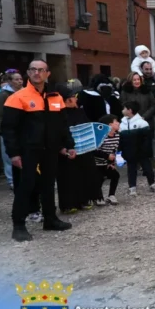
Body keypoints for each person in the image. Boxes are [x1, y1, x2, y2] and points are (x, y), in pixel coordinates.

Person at [1, 60, 74, 242]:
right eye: (33, 70)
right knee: (25, 187)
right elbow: (8, 129)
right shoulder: (17, 98)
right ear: (28, 72)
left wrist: (68, 145)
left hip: (50, 149)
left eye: (41, 70)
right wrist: (14, 153)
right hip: (28, 151)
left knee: (48, 186)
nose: (37, 73)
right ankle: (19, 225)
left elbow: (63, 125)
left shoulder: (56, 97)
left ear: (47, 73)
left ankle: (50, 219)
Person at [55, 83, 98, 212]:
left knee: (83, 174)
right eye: (74, 97)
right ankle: (68, 204)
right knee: (68, 177)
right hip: (66, 150)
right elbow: (57, 131)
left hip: (82, 149)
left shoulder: (79, 111)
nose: (77, 99)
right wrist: (62, 147)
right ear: (68, 99)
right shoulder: (59, 114)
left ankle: (83, 200)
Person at [119, 101, 155, 195]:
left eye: (125, 108)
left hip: (141, 151)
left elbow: (147, 139)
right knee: (131, 170)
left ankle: (152, 184)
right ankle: (132, 187)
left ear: (130, 110)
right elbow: (121, 139)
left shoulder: (142, 123)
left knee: (147, 169)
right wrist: (122, 151)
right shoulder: (122, 124)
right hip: (129, 151)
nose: (123, 110)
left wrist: (145, 151)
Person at [0, 70, 23, 189]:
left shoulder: (24, 93)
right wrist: (1, 129)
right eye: (16, 79)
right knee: (8, 156)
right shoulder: (3, 95)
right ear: (10, 81)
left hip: (22, 130)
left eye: (20, 79)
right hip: (6, 130)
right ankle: (11, 180)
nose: (19, 81)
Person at [95, 114, 121, 205]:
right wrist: (106, 156)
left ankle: (111, 195)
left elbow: (114, 149)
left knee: (115, 175)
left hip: (107, 163)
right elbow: (94, 151)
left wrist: (111, 162)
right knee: (98, 179)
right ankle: (98, 197)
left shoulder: (117, 135)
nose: (118, 123)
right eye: (116, 121)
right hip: (97, 163)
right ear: (110, 125)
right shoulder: (101, 137)